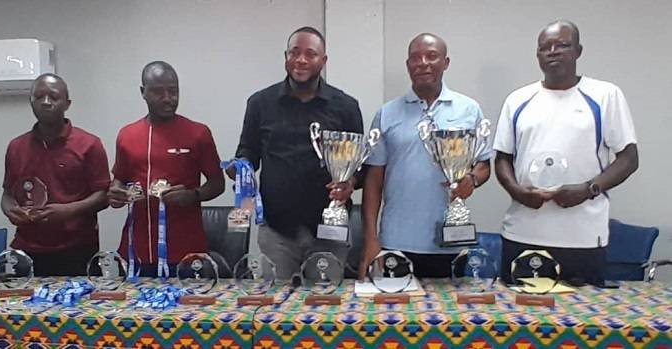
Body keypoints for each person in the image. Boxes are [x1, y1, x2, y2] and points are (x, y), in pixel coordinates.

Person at [493, 20, 638, 286]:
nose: (553, 52)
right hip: (524, 233)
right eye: (544, 47)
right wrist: (517, 191)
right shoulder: (518, 99)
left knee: (584, 322)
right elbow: (503, 157)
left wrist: (588, 189)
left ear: (578, 51)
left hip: (582, 237)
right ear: (537, 55)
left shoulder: (605, 95)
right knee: (517, 322)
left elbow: (629, 158)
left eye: (562, 45)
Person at [228, 26, 363, 280]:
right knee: (273, 314)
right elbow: (248, 150)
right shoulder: (260, 103)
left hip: (329, 230)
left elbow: (358, 166)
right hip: (277, 232)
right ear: (285, 56)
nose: (301, 60)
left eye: (310, 54)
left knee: (326, 310)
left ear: (323, 61)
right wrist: (240, 168)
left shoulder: (346, 106)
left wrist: (351, 182)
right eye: (294, 52)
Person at [358, 33, 491, 280]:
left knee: (447, 317)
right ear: (408, 65)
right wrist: (371, 238)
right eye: (415, 58)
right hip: (396, 241)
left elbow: (484, 165)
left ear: (446, 62)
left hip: (451, 240)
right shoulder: (386, 114)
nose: (423, 63)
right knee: (393, 317)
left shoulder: (469, 110)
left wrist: (471, 180)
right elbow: (373, 179)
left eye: (431, 56)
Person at [108, 61, 225, 277]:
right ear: (143, 92)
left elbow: (218, 183)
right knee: (134, 311)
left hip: (184, 248)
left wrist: (193, 195)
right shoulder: (127, 135)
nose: (167, 98)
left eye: (173, 91)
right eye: (158, 92)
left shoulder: (198, 133)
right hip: (136, 249)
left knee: (186, 311)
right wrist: (115, 193)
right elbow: (119, 180)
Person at [1, 73, 111, 276]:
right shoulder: (16, 147)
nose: (46, 102)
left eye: (53, 97)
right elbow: (7, 194)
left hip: (77, 252)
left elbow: (104, 196)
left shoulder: (89, 144)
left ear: (67, 103)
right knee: (21, 308)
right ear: (31, 102)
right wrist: (11, 211)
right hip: (26, 251)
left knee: (79, 308)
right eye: (39, 97)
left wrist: (68, 211)